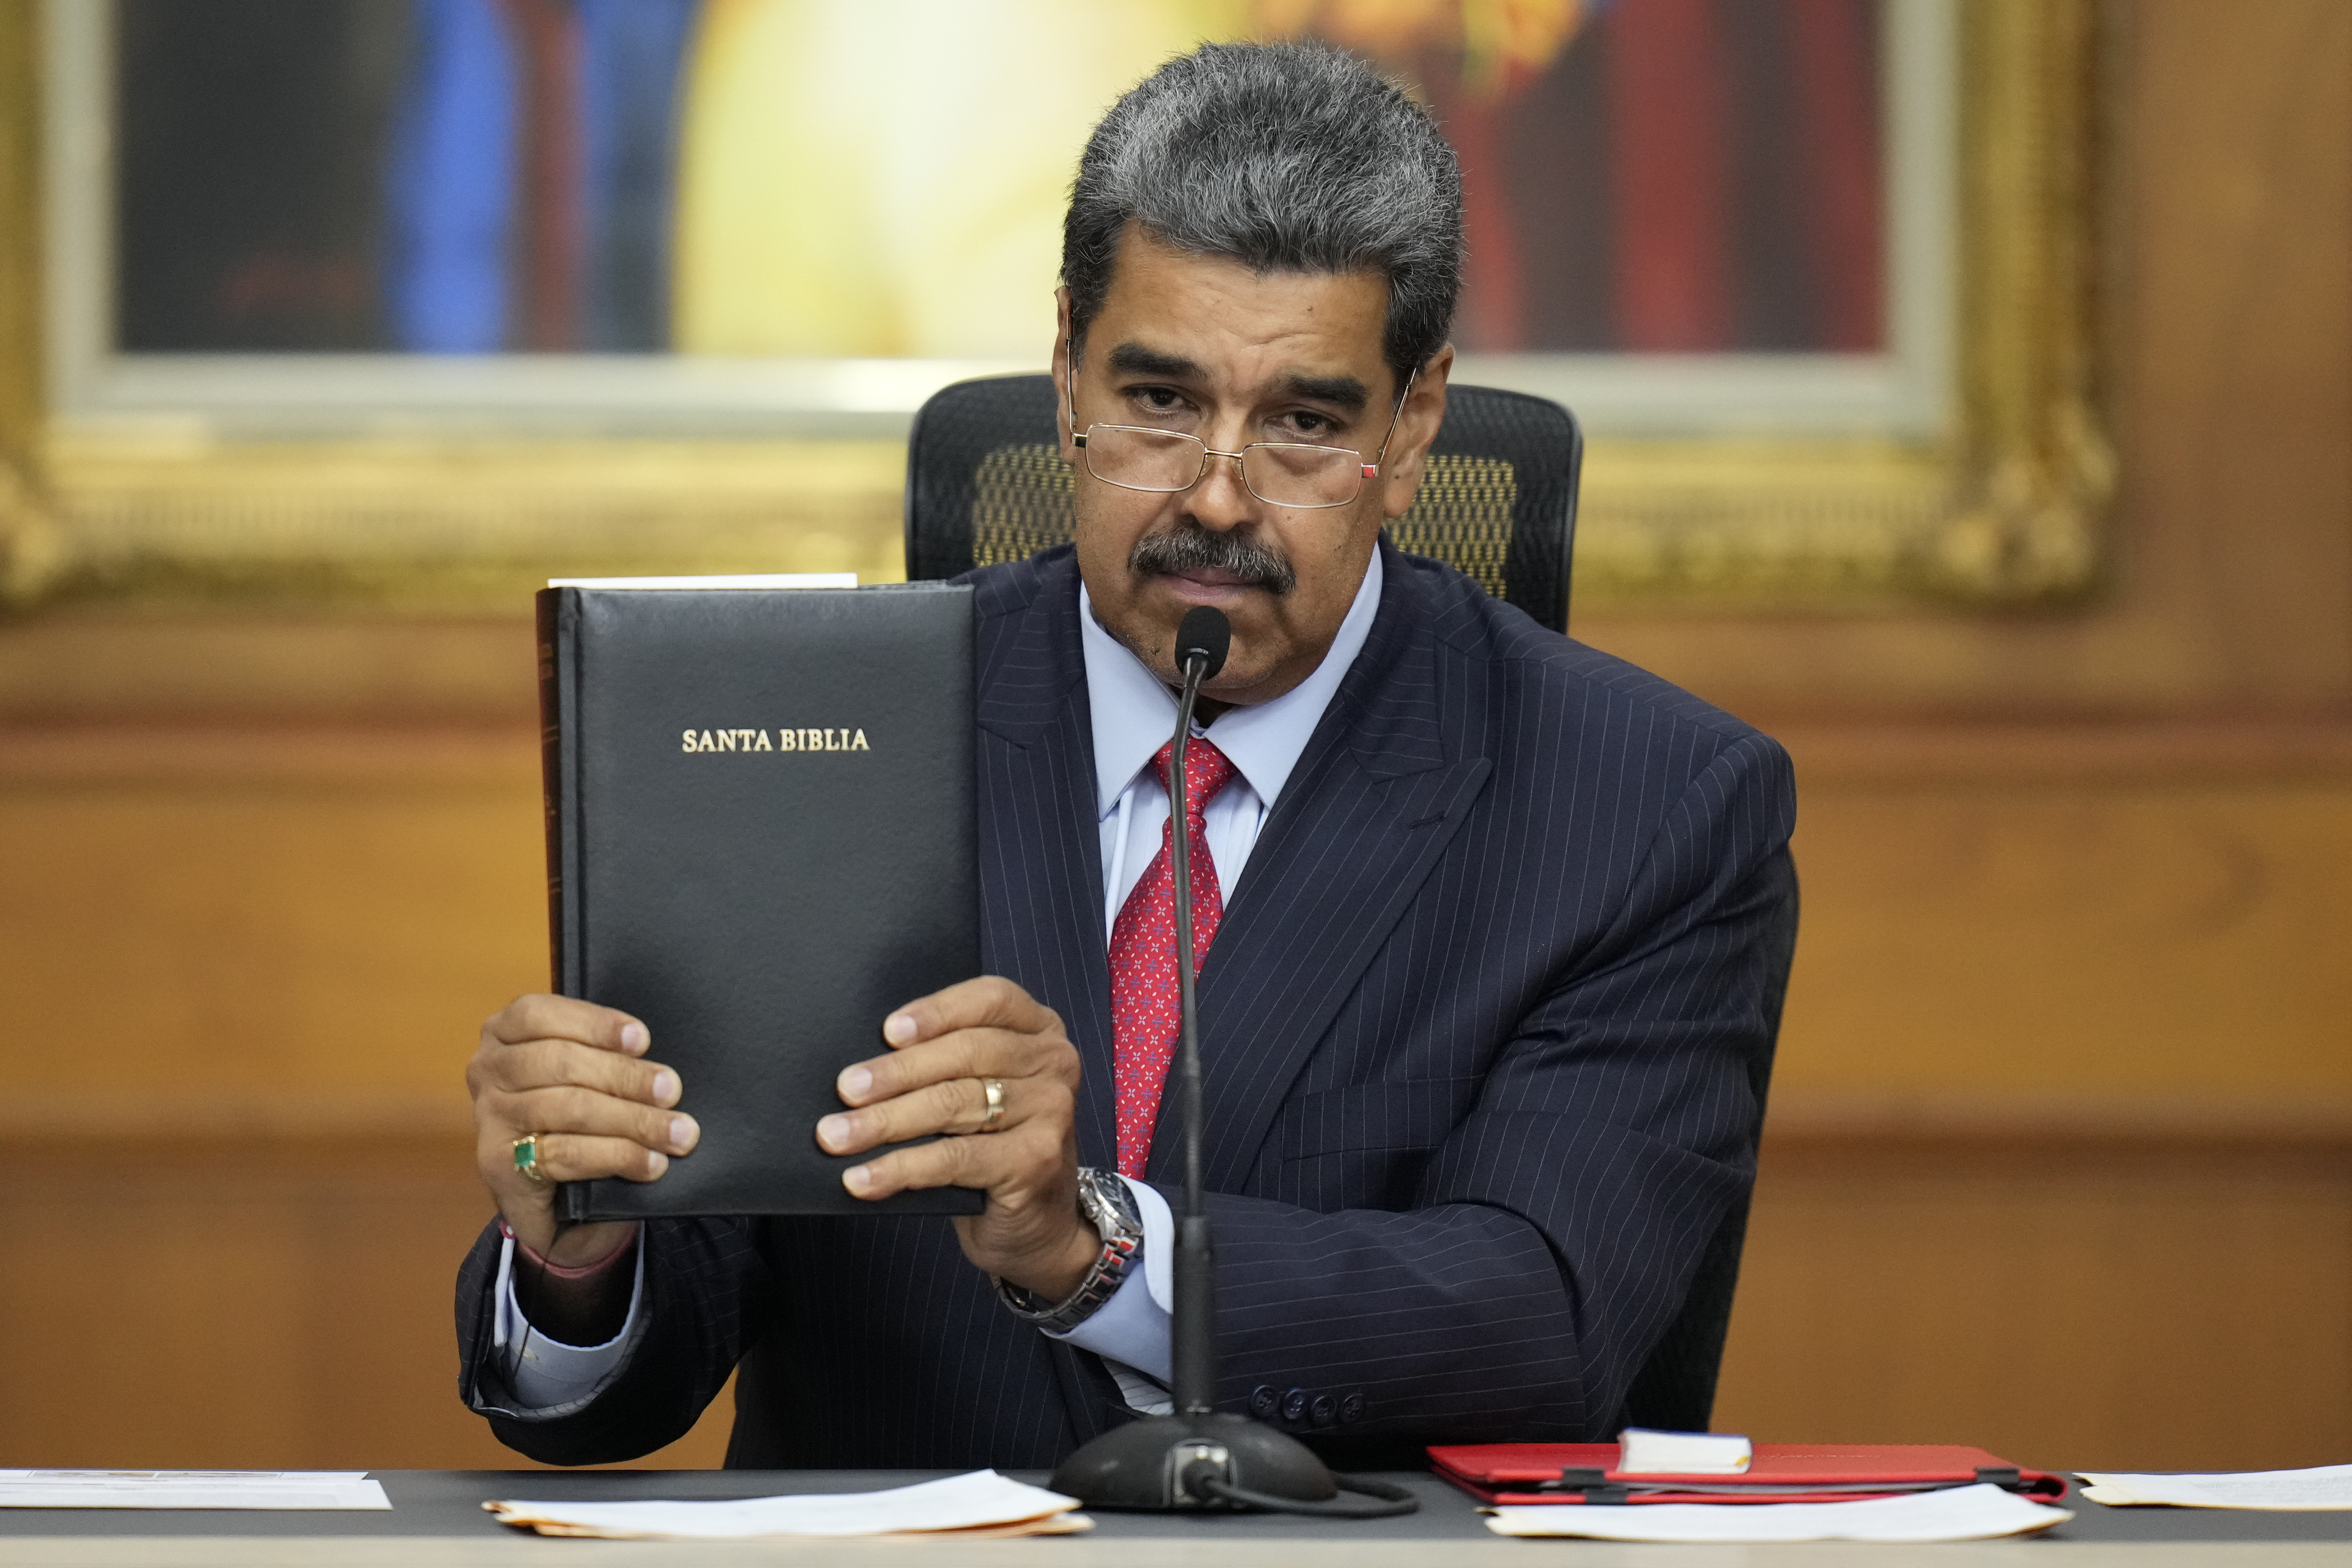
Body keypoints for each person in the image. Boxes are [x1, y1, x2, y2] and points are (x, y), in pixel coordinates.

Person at [455, 39, 1797, 1469]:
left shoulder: (1647, 806)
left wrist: (1090, 1248)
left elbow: (1546, 1325)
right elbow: (633, 1369)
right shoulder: (823, 738)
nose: (1215, 498)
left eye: (1300, 423)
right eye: (1158, 403)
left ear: (1410, 431)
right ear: (1062, 378)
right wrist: (582, 1258)